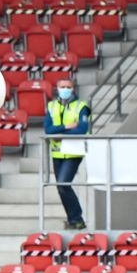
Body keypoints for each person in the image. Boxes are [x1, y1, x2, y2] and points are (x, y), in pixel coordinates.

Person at [44, 77, 92, 232]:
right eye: (62, 86)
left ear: (73, 89)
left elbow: (82, 129)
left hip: (73, 152)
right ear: (57, 89)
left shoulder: (81, 106)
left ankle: (77, 218)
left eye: (68, 87)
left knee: (63, 184)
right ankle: (74, 219)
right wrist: (67, 126)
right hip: (57, 153)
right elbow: (48, 130)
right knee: (61, 188)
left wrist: (59, 131)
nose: (65, 89)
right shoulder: (51, 106)